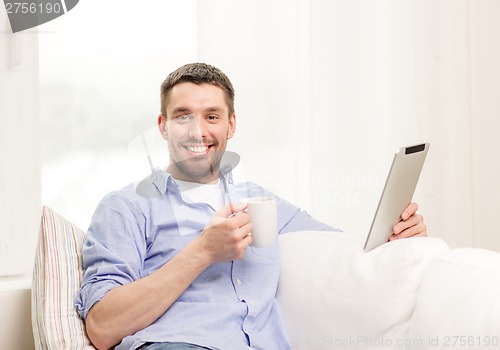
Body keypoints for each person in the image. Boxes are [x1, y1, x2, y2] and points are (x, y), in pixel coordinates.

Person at [76, 63, 427, 350]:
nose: (197, 131)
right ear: (163, 127)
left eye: (211, 116)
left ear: (231, 125)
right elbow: (103, 327)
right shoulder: (127, 207)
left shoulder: (260, 202)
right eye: (183, 116)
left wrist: (395, 237)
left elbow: (345, 251)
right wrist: (202, 251)